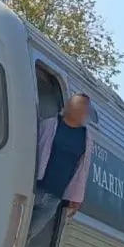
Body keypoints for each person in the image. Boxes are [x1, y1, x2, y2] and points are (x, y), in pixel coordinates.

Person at [28, 93, 94, 239]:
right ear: (68, 106)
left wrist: (76, 198)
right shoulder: (49, 125)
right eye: (77, 104)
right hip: (33, 187)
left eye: (84, 107)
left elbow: (82, 170)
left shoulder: (86, 138)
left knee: (27, 235)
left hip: (53, 198)